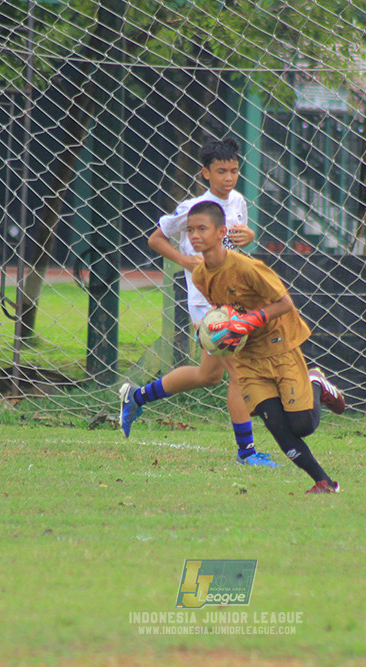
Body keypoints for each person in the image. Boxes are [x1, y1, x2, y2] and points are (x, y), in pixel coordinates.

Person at [123, 201, 343, 493]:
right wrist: (213, 329)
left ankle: (315, 382)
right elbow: (223, 310)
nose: (195, 235)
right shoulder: (200, 276)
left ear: (221, 232)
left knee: (301, 425)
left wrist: (249, 320)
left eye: (202, 229)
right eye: (191, 230)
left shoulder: (247, 268)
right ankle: (324, 482)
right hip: (248, 357)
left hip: (279, 347)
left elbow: (285, 303)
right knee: (278, 427)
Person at [137, 136, 273, 466]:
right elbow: (156, 239)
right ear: (206, 173)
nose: (229, 178)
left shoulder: (238, 201)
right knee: (240, 374)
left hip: (234, 298)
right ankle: (247, 453)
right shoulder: (192, 209)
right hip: (205, 302)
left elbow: (235, 243)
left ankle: (137, 398)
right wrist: (184, 260)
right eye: (221, 171)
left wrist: (250, 236)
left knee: (208, 375)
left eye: (234, 171)